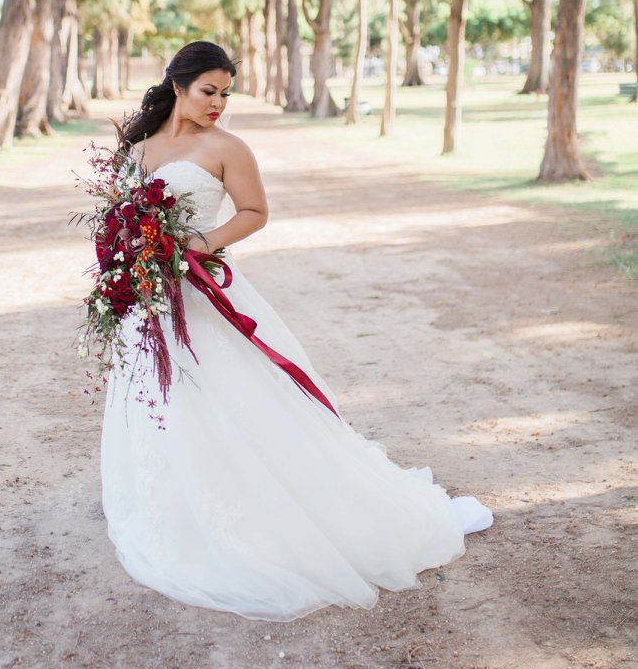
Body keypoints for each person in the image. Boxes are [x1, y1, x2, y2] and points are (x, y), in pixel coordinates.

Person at [101, 40, 492, 621]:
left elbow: (254, 212)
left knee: (227, 393)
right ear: (178, 85)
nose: (219, 103)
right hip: (148, 295)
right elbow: (117, 211)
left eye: (226, 93)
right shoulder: (139, 146)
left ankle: (276, 510)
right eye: (209, 91)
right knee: (162, 396)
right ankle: (178, 502)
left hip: (203, 291)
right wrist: (126, 255)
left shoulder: (227, 147)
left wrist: (196, 245)